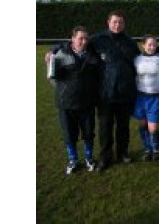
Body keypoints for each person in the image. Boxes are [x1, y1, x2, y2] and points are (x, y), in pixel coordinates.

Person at [90, 10, 140, 171]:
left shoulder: (130, 43)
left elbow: (143, 58)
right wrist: (54, 49)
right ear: (108, 22)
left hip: (125, 92)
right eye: (114, 22)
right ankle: (105, 157)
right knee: (105, 127)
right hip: (105, 93)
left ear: (124, 24)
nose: (117, 25)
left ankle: (123, 152)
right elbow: (77, 44)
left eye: (120, 22)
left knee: (123, 126)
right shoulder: (97, 40)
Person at [49, 26, 99, 175]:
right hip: (66, 103)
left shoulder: (92, 54)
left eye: (86, 38)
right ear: (72, 39)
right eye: (80, 38)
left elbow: (97, 77)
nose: (83, 41)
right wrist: (66, 91)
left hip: (87, 103)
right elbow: (52, 78)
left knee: (88, 133)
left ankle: (89, 158)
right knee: (69, 134)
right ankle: (73, 160)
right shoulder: (60, 54)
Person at [133, 35, 159, 161]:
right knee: (142, 124)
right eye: (149, 44)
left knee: (153, 127)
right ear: (143, 45)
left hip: (155, 97)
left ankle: (155, 148)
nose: (152, 47)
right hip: (140, 97)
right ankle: (147, 149)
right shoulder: (137, 59)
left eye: (154, 45)